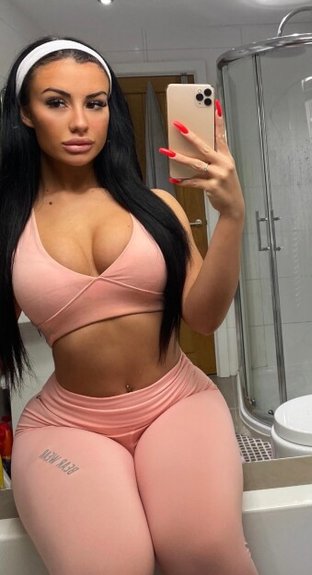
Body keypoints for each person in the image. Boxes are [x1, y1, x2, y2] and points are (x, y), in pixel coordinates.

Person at [1, 36, 259, 575]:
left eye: (95, 103)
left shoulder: (155, 206)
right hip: (67, 427)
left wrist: (232, 216)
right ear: (24, 112)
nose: (80, 122)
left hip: (177, 404)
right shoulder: (8, 228)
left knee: (204, 552)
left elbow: (204, 317)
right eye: (56, 102)